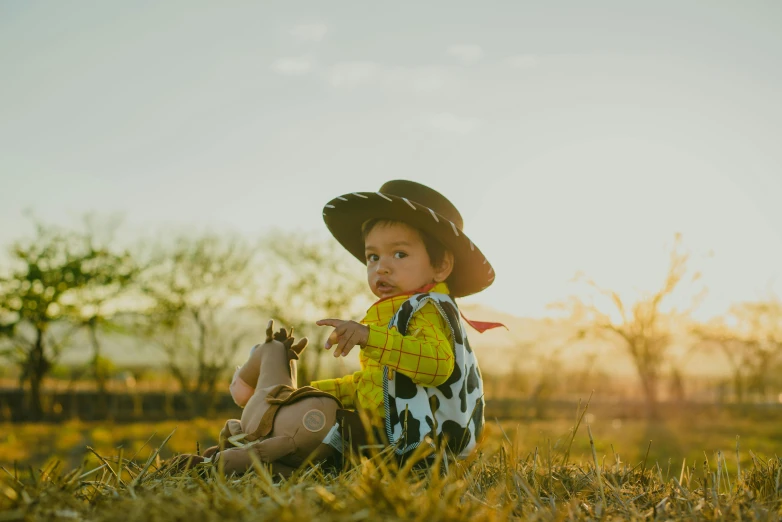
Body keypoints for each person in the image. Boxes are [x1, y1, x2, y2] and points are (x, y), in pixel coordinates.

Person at [311, 180, 502, 461]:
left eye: (399, 254)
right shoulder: (396, 313)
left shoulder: (426, 309)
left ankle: (272, 456)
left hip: (422, 443)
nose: (381, 267)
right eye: (372, 257)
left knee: (319, 435)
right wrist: (309, 392)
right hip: (391, 430)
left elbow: (435, 364)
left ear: (441, 266)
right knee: (312, 421)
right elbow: (377, 385)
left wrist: (369, 336)